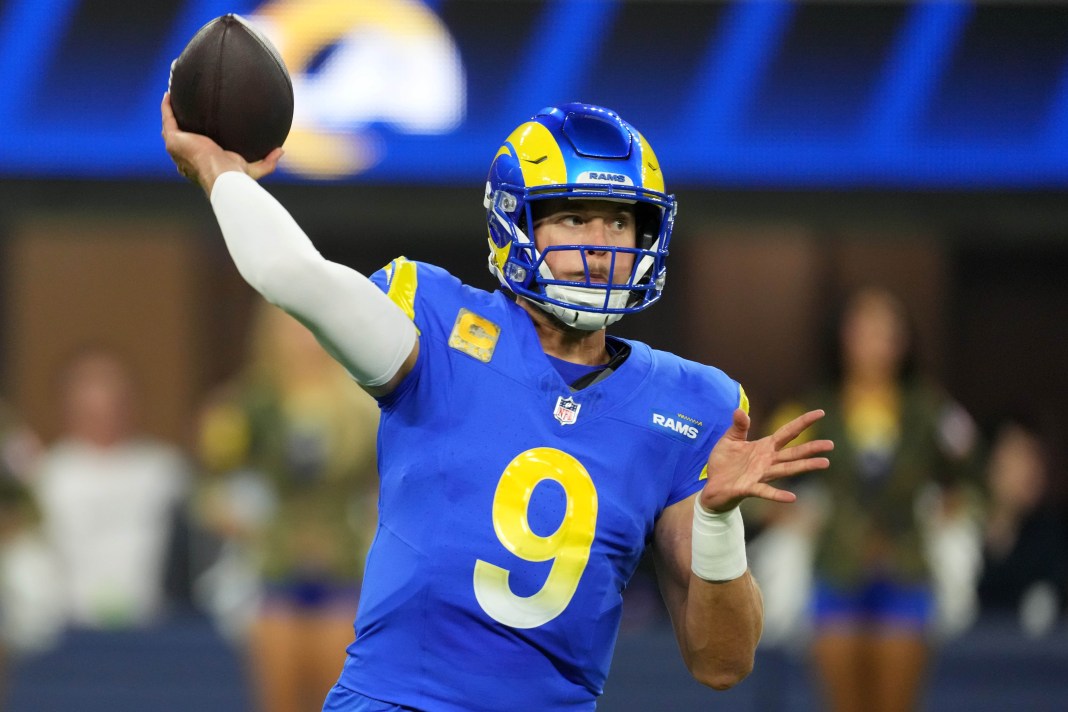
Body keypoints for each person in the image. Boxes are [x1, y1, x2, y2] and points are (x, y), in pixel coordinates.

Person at [162, 95, 833, 711]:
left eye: (621, 222)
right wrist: (223, 175)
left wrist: (717, 524)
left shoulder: (691, 404)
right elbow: (294, 276)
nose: (600, 247)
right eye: (573, 217)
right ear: (517, 222)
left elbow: (722, 663)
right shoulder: (437, 328)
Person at [762, 287, 981, 712]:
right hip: (837, 570)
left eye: (887, 332)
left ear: (904, 341)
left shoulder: (929, 408)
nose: (875, 343)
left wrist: (957, 507)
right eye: (864, 330)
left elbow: (975, 478)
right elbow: (761, 473)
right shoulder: (813, 406)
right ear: (842, 338)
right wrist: (781, 512)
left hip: (905, 570)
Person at [194, 299, 381, 712]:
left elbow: (389, 483)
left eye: (311, 327)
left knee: (341, 699)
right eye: (290, 328)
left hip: (344, 568)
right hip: (275, 570)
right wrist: (244, 522)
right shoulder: (249, 404)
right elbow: (209, 490)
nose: (302, 341)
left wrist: (374, 526)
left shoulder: (362, 405)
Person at [31, 347, 191, 630]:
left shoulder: (166, 470)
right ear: (68, 404)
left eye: (114, 394)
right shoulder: (45, 475)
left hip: (153, 628)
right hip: (65, 632)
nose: (103, 407)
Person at [977, 416, 1067, 637]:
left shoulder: (1053, 538)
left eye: (1037, 457)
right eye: (1019, 455)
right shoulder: (952, 531)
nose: (1031, 469)